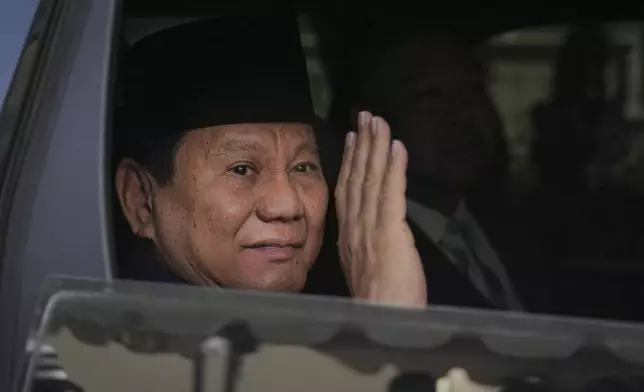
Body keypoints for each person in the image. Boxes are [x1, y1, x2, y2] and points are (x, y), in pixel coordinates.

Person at [111, 15, 427, 306]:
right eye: (242, 169)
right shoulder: (120, 339)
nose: (287, 206)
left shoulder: (312, 313)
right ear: (141, 200)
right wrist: (390, 323)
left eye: (303, 167)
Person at [338, 31, 550, 312]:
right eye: (429, 97)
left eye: (474, 91)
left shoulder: (511, 228)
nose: (462, 115)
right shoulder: (356, 256)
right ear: (369, 124)